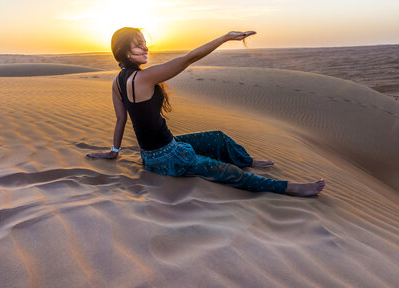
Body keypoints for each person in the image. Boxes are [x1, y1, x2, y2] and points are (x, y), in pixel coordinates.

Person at [86, 27, 325, 197]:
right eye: (138, 44)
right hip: (169, 158)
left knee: (217, 137)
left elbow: (121, 119)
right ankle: (290, 187)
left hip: (156, 153)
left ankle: (248, 160)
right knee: (228, 173)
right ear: (125, 52)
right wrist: (224, 38)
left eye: (144, 42)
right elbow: (189, 58)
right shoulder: (144, 77)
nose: (145, 47)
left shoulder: (117, 81)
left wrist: (114, 151)